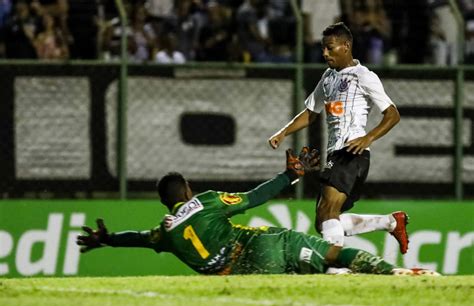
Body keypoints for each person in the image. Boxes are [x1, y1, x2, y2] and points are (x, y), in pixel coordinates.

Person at [77, 148, 438, 276]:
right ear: (186, 191)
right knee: (331, 252)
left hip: (241, 272)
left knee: (321, 270)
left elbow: (140, 240)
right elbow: (253, 198)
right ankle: (396, 273)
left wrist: (108, 239)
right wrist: (290, 175)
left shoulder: (165, 232)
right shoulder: (204, 202)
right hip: (264, 249)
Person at [268, 22, 408, 255]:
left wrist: (368, 137)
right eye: (323, 48)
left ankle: (336, 267)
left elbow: (392, 114)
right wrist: (283, 132)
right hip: (337, 154)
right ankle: (390, 222)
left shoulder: (364, 76)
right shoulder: (328, 77)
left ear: (346, 46)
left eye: (330, 48)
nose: (324, 53)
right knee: (323, 220)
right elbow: (311, 113)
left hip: (352, 151)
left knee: (328, 211)